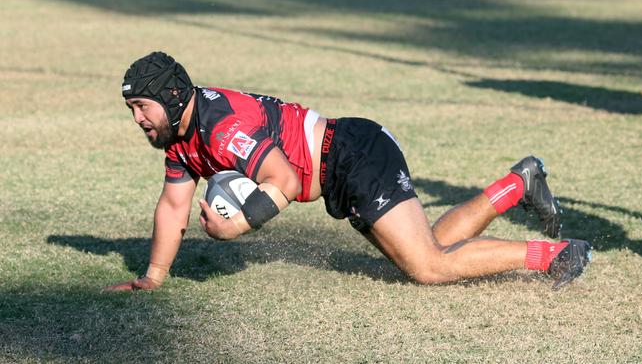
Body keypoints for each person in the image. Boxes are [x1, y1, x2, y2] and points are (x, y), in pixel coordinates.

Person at [105, 51, 592, 292]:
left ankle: (556, 254)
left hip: (353, 154)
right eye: (131, 109)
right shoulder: (179, 137)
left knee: (427, 267)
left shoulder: (218, 127)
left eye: (142, 106)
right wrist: (153, 276)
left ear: (171, 96)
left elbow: (286, 181)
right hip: (346, 161)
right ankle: (517, 185)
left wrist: (239, 224)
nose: (138, 119)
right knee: (429, 251)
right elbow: (173, 207)